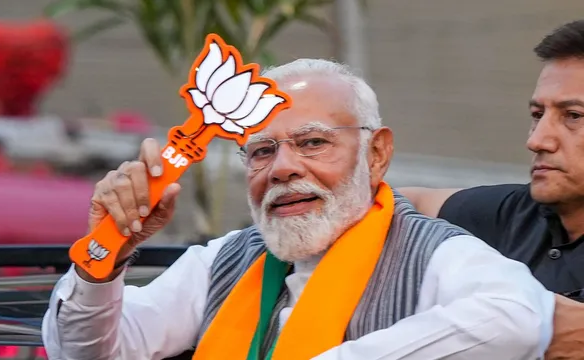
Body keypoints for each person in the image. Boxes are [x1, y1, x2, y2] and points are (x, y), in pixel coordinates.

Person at [41, 59, 555, 360]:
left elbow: (518, 320)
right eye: (262, 150)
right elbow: (88, 352)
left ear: (376, 153)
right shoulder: (227, 258)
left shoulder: (434, 254)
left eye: (312, 143)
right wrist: (102, 254)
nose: (282, 169)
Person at [398, 20, 584, 359]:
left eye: (573, 115)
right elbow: (405, 203)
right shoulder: (518, 212)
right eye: (537, 114)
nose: (536, 140)